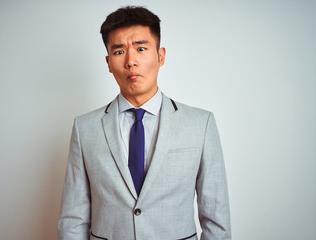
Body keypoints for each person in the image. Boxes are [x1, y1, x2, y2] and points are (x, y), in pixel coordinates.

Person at [58, 6, 231, 240]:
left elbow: (216, 218)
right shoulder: (85, 128)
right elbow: (73, 218)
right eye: (119, 52)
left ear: (161, 56)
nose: (131, 61)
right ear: (108, 62)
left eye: (141, 48)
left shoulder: (201, 124)